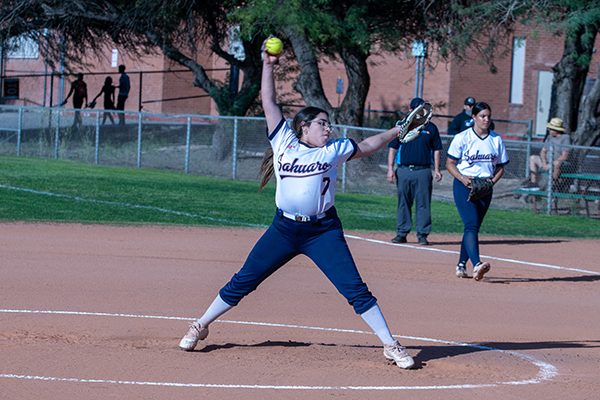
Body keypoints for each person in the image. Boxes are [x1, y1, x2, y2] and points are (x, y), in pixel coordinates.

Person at [178, 41, 416, 370]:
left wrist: (395, 131)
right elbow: (269, 100)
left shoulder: (334, 150)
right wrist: (268, 64)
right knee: (244, 280)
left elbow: (366, 145)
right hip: (284, 229)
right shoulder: (284, 141)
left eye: (329, 123)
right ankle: (200, 324)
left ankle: (390, 344)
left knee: (355, 288)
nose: (328, 128)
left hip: (322, 231)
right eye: (322, 123)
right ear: (304, 127)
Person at [446, 102, 509, 280]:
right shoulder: (462, 137)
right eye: (482, 116)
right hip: (464, 185)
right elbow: (449, 163)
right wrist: (462, 178)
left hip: (485, 187)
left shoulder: (496, 139)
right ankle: (477, 265)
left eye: (488, 116)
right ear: (473, 117)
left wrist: (492, 182)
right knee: (471, 224)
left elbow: (500, 167)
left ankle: (460, 265)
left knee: (472, 228)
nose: (486, 119)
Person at [387, 97, 442, 245]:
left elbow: (436, 150)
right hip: (404, 170)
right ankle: (402, 233)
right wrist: (390, 169)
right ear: (410, 110)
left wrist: (437, 169)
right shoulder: (402, 126)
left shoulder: (430, 128)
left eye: (421, 110)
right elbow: (393, 148)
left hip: (423, 170)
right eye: (415, 109)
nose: (419, 112)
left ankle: (422, 234)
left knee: (423, 203)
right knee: (404, 202)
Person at [521, 117, 571, 192]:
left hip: (559, 164)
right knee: (533, 158)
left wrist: (551, 164)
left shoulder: (565, 138)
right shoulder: (549, 137)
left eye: (550, 128)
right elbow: (543, 151)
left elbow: (565, 156)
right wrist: (544, 161)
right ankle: (533, 183)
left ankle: (553, 185)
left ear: (556, 129)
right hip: (547, 162)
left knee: (557, 163)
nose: (549, 130)